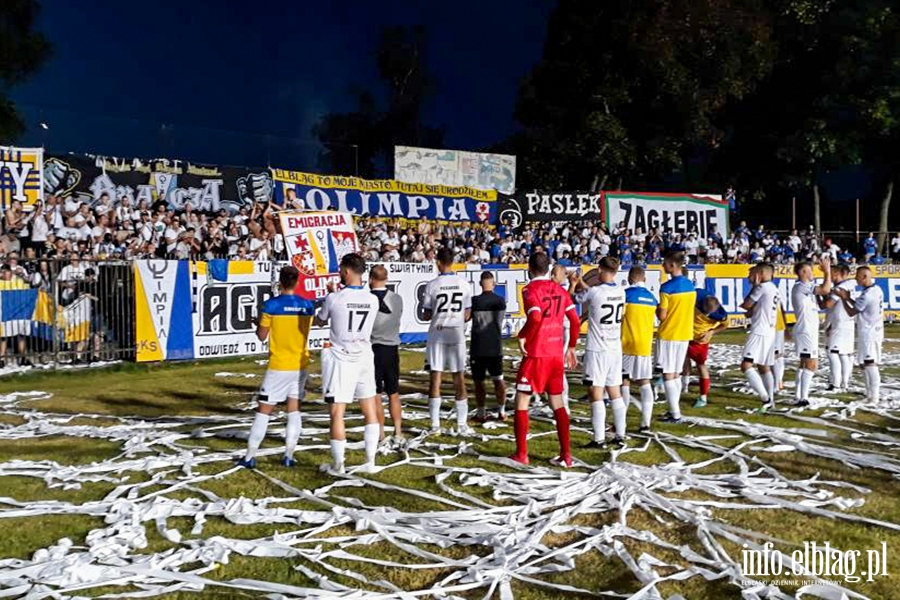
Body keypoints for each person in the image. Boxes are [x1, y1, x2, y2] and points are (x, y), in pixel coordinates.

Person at [238, 266, 315, 469]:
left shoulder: (270, 305)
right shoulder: (307, 305)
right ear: (297, 282)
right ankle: (289, 455)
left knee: (264, 410)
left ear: (280, 282)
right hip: (300, 363)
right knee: (294, 410)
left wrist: (258, 324)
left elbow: (262, 335)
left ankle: (249, 456)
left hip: (279, 364)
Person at [510, 251, 579, 467]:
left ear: (529, 268)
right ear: (548, 268)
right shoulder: (560, 289)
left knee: (522, 399)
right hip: (555, 354)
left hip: (537, 353)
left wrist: (522, 336)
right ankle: (565, 455)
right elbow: (575, 322)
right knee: (557, 402)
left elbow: (536, 316)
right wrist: (572, 347)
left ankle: (522, 453)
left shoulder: (530, 289)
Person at [316, 253, 382, 474]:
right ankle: (371, 460)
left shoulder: (335, 298)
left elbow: (321, 319)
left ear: (346, 271)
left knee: (337, 411)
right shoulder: (372, 299)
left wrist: (329, 295)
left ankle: (339, 464)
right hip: (363, 354)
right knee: (369, 408)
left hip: (342, 357)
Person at [571, 257, 627, 446]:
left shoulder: (595, 292)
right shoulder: (621, 291)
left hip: (597, 348)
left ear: (601, 269)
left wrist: (574, 283)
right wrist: (582, 282)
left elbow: (575, 298)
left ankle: (599, 438)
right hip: (614, 347)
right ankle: (620, 435)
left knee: (595, 391)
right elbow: (595, 292)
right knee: (614, 391)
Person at [423, 247, 472, 433]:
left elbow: (426, 314)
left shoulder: (432, 285)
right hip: (456, 334)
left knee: (435, 378)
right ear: (453, 262)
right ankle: (461, 424)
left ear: (438, 262)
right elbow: (467, 314)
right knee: (458, 378)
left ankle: (435, 425)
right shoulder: (464, 283)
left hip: (437, 334)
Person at [656, 251, 697, 423]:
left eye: (664, 263)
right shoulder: (691, 286)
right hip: (685, 333)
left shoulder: (666, 287)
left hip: (669, 334)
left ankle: (675, 413)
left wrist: (657, 308)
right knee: (676, 374)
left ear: (672, 265)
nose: (663, 266)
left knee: (668, 374)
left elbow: (662, 315)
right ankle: (675, 410)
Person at [834, 266, 884, 402]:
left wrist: (844, 298)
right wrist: (848, 298)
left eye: (858, 276)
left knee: (870, 363)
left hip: (870, 333)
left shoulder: (868, 294)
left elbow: (852, 312)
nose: (856, 279)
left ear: (864, 277)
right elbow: (859, 306)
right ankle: (870, 393)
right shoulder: (876, 290)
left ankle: (874, 396)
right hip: (872, 330)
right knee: (865, 364)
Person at [369, 265, 404, 445]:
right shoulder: (397, 299)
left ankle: (381, 433)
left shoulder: (367, 299)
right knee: (393, 392)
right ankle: (398, 432)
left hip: (374, 348)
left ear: (370, 279)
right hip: (391, 349)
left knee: (376, 394)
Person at [790, 257, 832, 407]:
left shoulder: (805, 287)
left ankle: (798, 395)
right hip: (806, 330)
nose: (813, 272)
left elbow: (823, 302)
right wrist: (827, 272)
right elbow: (826, 289)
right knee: (811, 364)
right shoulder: (802, 286)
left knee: (803, 364)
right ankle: (803, 398)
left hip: (807, 329)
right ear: (802, 272)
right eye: (810, 270)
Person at [620, 266, 658, 431]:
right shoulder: (652, 298)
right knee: (645, 383)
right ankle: (646, 423)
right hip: (644, 345)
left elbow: (619, 317)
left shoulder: (626, 295)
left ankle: (621, 422)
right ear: (644, 279)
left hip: (626, 344)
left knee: (623, 382)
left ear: (629, 278)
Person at [740, 263, 780, 411]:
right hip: (769, 330)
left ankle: (766, 398)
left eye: (751, 273)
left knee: (746, 365)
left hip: (759, 330)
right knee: (764, 367)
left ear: (760, 274)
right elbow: (753, 309)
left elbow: (746, 305)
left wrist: (754, 287)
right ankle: (771, 401)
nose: (748, 277)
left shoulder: (761, 287)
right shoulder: (773, 288)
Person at [470, 271, 508, 422]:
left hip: (478, 347)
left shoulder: (475, 301)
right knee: (498, 380)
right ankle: (502, 411)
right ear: (493, 284)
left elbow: (466, 318)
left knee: (479, 382)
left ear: (480, 284)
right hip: (494, 346)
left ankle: (480, 413)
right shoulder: (500, 301)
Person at [684, 289, 728, 408]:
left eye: (710, 313)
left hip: (700, 339)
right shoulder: (694, 296)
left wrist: (712, 332)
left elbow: (725, 325)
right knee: (683, 358)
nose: (707, 315)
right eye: (705, 312)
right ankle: (684, 385)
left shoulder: (720, 313)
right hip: (685, 333)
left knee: (700, 364)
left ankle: (703, 397)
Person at [822, 264, 855, 392]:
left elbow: (829, 304)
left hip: (839, 323)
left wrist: (823, 296)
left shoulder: (841, 287)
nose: (831, 276)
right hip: (848, 323)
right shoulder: (851, 285)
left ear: (838, 273)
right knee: (844, 355)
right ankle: (844, 383)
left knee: (832, 353)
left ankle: (835, 384)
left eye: (833, 273)